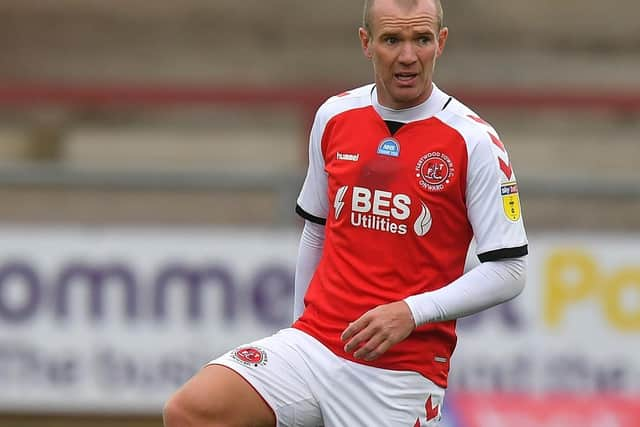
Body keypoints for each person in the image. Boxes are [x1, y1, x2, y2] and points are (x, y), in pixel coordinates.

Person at [163, 0, 528, 425]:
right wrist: (300, 328)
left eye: (421, 39)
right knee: (192, 412)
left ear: (440, 43)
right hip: (314, 344)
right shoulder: (335, 115)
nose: (408, 56)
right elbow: (315, 231)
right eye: (392, 39)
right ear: (366, 43)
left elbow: (510, 271)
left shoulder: (475, 141)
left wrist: (411, 311)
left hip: (398, 375)